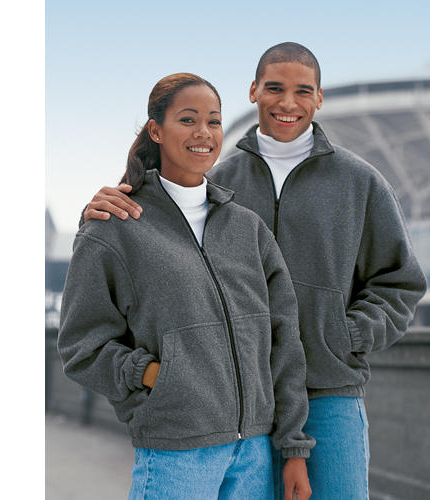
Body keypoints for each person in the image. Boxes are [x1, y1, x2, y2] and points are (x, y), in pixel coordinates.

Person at [80, 43, 428, 500]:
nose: (288, 102)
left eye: (303, 91)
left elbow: (400, 282)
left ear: (319, 97)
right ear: (253, 91)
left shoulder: (360, 181)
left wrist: (345, 335)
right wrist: (101, 209)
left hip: (328, 391)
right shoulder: (216, 182)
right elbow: (156, 224)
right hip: (238, 405)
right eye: (275, 88)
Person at [58, 72, 315, 500]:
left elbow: (283, 339)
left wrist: (293, 447)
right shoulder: (115, 227)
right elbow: (81, 346)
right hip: (176, 453)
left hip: (254, 453)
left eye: (214, 121)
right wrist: (156, 377)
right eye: (188, 119)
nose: (204, 133)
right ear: (156, 130)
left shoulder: (248, 229)